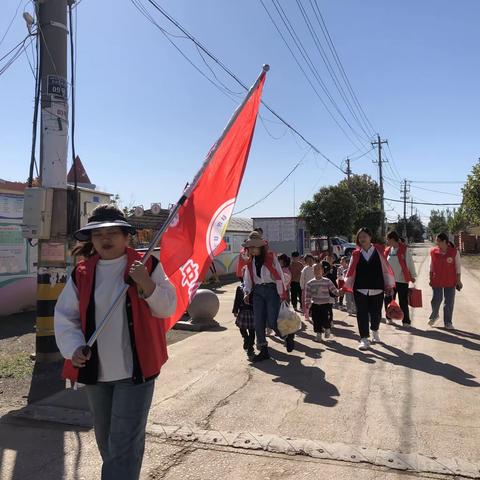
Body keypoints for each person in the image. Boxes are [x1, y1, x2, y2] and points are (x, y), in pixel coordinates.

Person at [54, 204, 177, 480]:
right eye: (98, 234)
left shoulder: (146, 265)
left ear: (126, 236)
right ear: (91, 240)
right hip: (95, 373)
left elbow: (167, 307)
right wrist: (73, 348)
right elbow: (66, 317)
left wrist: (147, 283)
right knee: (109, 443)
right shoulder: (82, 273)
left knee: (123, 446)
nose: (105, 239)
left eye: (112, 232)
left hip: (135, 373)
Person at [242, 231, 291, 361]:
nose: (252, 249)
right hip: (257, 291)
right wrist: (247, 292)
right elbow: (248, 278)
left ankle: (287, 336)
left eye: (254, 247)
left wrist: (282, 294)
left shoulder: (271, 257)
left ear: (261, 247)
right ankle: (263, 350)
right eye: (250, 247)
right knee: (258, 322)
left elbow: (280, 275)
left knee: (272, 321)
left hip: (271, 290)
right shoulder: (250, 262)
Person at [344, 227, 395, 351]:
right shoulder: (356, 254)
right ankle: (364, 339)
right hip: (360, 289)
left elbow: (386, 270)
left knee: (376, 313)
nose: (362, 239)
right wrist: (345, 286)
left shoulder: (379, 251)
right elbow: (351, 271)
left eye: (364, 236)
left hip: (377, 288)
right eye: (360, 237)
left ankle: (375, 330)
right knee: (361, 314)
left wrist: (388, 285)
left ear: (370, 237)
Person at [428, 232, 462, 329]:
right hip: (436, 280)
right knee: (436, 300)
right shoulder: (433, 252)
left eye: (438, 241)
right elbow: (431, 266)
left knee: (449, 302)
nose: (436, 243)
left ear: (444, 242)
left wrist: (458, 281)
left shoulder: (454, 252)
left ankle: (448, 322)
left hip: (450, 280)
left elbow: (458, 267)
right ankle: (434, 315)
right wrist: (430, 278)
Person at [384, 231, 417, 327]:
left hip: (402, 280)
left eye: (388, 239)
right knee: (388, 300)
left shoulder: (404, 250)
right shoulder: (387, 250)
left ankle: (406, 321)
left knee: (403, 301)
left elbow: (410, 263)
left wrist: (413, 276)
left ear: (393, 239)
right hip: (390, 281)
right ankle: (389, 317)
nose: (387, 241)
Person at [305, 263, 339, 342]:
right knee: (316, 320)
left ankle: (327, 328)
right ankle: (318, 334)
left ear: (322, 271)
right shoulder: (310, 283)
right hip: (315, 304)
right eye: (315, 269)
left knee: (326, 319)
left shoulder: (327, 281)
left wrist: (339, 293)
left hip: (325, 304)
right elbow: (308, 294)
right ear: (312, 271)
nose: (317, 271)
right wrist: (307, 303)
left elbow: (334, 290)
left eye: (319, 269)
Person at [233, 281, 255, 358]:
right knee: (243, 328)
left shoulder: (254, 287)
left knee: (251, 330)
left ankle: (250, 345)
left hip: (251, 311)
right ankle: (246, 339)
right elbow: (237, 300)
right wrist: (235, 310)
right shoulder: (240, 288)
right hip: (244, 311)